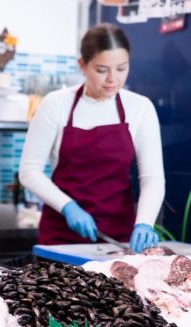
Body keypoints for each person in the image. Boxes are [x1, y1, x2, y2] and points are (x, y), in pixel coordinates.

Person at [19, 23, 164, 253]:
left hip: (119, 238)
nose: (112, 79)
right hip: (61, 236)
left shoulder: (140, 107)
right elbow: (29, 172)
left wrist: (145, 221)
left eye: (121, 68)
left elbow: (152, 177)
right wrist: (67, 207)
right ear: (82, 65)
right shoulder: (56, 104)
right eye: (101, 69)